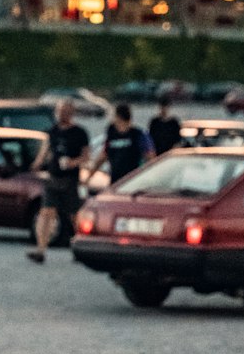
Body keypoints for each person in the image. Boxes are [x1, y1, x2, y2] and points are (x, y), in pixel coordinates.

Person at [27, 98, 90, 263]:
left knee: (74, 215)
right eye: (60, 111)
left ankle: (81, 248)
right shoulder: (52, 132)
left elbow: (86, 156)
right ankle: (40, 250)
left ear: (72, 113)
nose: (62, 114)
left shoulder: (79, 133)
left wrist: (73, 163)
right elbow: (45, 152)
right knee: (46, 212)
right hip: (53, 178)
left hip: (70, 180)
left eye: (66, 112)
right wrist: (36, 165)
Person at [97, 103, 153, 185]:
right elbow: (104, 155)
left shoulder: (138, 134)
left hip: (133, 181)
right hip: (115, 181)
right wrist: (90, 174)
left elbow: (150, 157)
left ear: (118, 117)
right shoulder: (112, 134)